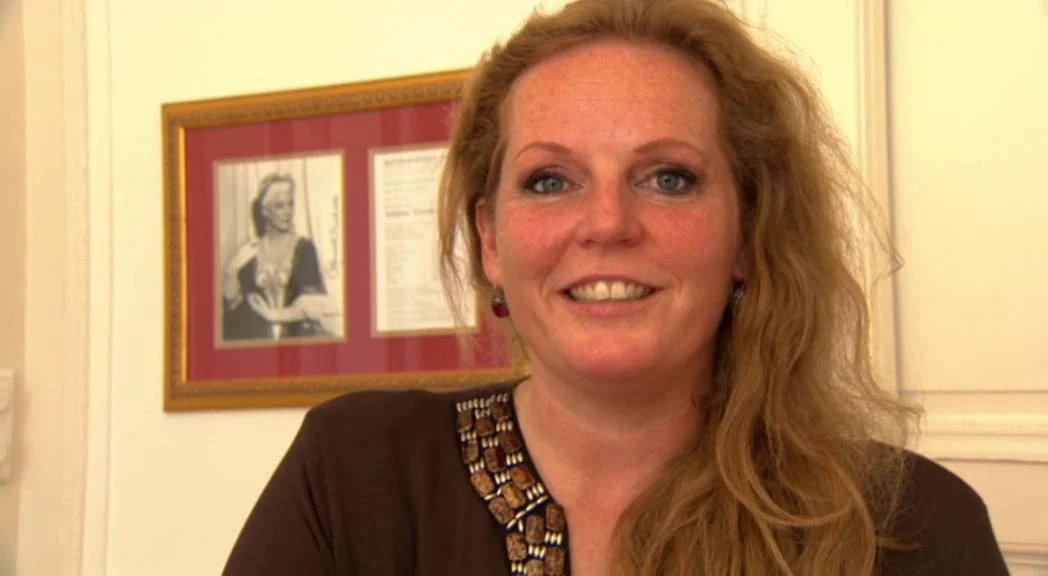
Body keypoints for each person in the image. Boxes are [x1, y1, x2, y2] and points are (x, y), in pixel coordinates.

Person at [223, 0, 1009, 574]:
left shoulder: (912, 528)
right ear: (491, 240)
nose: (606, 223)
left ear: (747, 232)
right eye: (549, 180)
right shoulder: (354, 473)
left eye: (668, 178)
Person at [222, 172, 330, 342]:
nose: (288, 212)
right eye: (280, 206)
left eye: (290, 204)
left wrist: (272, 315)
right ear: (265, 211)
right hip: (257, 340)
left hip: (296, 339)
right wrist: (232, 269)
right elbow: (230, 301)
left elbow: (314, 306)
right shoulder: (250, 251)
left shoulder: (304, 248)